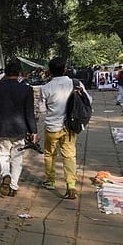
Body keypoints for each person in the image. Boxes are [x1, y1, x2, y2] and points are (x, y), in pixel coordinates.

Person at [39, 57, 92, 200]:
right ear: (65, 69)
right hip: (70, 127)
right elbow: (88, 100)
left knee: (50, 154)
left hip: (52, 127)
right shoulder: (76, 83)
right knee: (69, 155)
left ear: (50, 71)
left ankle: (50, 181)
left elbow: (42, 110)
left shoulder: (45, 88)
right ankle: (71, 185)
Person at [0, 61, 38, 197]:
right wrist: (33, 131)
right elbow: (29, 113)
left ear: (6, 72)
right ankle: (13, 187)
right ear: (19, 73)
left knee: (4, 155)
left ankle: (5, 174)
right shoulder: (26, 89)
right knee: (17, 158)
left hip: (2, 128)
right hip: (20, 129)